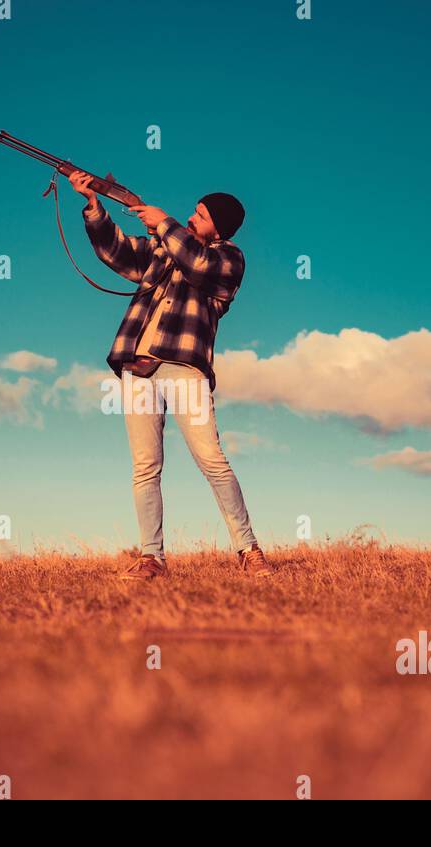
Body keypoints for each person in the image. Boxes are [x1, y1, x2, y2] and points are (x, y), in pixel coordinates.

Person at [68, 169, 273, 581]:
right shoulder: (164, 249)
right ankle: (152, 559)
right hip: (138, 369)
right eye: (193, 212)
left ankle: (249, 550)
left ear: (220, 226)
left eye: (200, 214)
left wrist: (162, 222)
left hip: (185, 369)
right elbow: (117, 253)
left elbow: (197, 263)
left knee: (213, 461)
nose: (192, 217)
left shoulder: (228, 259)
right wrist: (95, 205)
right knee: (145, 466)